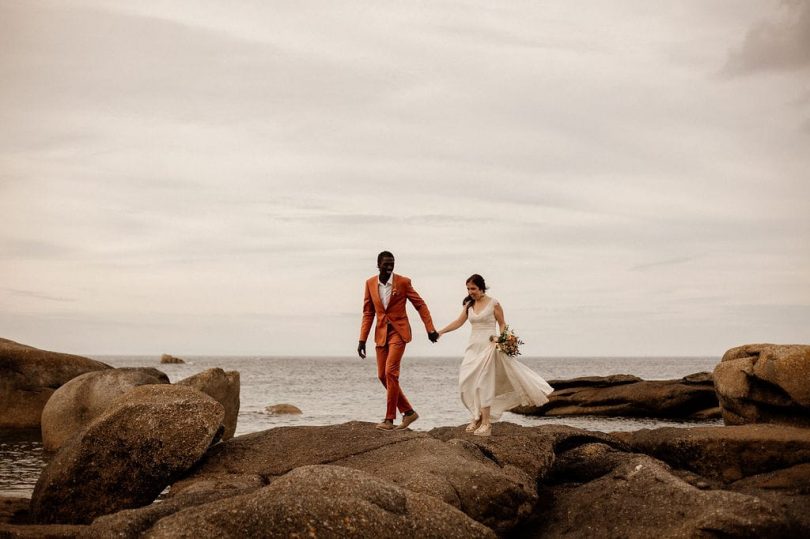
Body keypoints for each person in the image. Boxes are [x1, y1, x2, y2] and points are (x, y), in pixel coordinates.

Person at [437, 274, 553, 436]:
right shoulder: (469, 305)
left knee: (483, 384)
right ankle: (476, 416)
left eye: (473, 288)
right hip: (473, 348)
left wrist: (502, 340)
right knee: (467, 382)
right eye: (468, 289)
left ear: (481, 288)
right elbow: (458, 322)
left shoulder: (494, 303)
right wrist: (440, 332)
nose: (470, 292)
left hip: (489, 347)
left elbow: (502, 323)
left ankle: (486, 423)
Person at [358, 251, 439, 431]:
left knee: (391, 372)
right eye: (386, 264)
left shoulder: (403, 282)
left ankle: (389, 419)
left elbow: (420, 304)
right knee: (382, 375)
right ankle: (409, 412)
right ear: (378, 265)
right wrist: (362, 339)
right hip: (381, 335)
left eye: (392, 263)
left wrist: (430, 328)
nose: (389, 266)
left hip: (399, 333)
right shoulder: (370, 284)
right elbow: (368, 313)